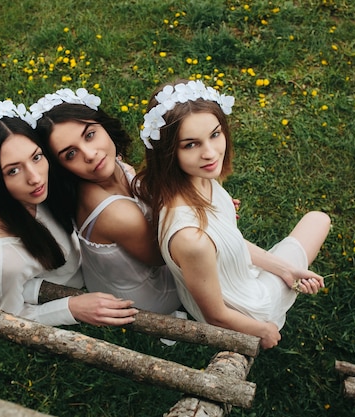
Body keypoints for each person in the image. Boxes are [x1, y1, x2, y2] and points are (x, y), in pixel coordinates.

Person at [133, 80, 331, 349]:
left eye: (215, 134)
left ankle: (283, 272)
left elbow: (228, 242)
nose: (210, 153)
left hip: (238, 278)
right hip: (247, 311)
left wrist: (285, 270)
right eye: (191, 145)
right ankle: (275, 296)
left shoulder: (194, 179)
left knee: (314, 226)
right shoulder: (191, 239)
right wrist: (264, 330)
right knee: (318, 220)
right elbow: (216, 315)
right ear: (168, 152)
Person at [0, 99, 138, 327]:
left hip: (93, 263)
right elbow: (7, 316)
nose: (35, 177)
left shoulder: (46, 187)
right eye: (13, 170)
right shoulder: (7, 261)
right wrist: (71, 308)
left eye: (36, 157)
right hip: (72, 284)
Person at [31, 88, 181, 315]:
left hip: (107, 279)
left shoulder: (107, 168)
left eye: (89, 135)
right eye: (70, 154)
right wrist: (202, 208)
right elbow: (165, 257)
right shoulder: (116, 213)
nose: (90, 154)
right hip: (149, 296)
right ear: (60, 167)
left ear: (103, 125)